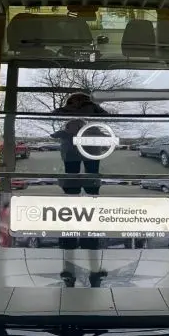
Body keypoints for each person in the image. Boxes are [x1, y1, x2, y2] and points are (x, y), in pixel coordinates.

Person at [51, 92, 108, 287]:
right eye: (74, 102)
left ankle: (74, 265)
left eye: (81, 102)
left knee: (80, 188)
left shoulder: (83, 116)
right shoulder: (89, 115)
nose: (78, 104)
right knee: (84, 189)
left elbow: (55, 119)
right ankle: (85, 262)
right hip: (83, 154)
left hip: (81, 154)